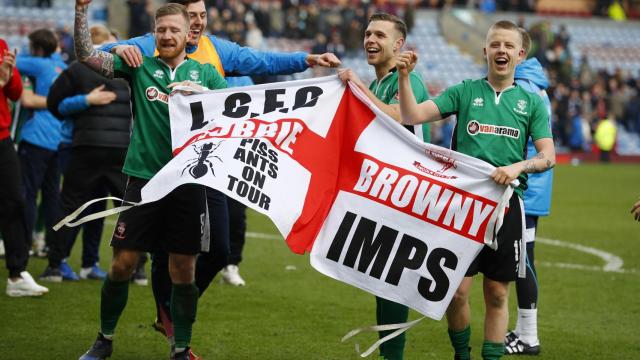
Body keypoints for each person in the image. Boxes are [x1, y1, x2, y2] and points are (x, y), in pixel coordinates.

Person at [100, 0, 341, 347]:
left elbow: (263, 62)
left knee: (217, 250)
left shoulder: (217, 52)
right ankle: (166, 319)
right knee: (154, 257)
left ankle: (172, 313)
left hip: (203, 168)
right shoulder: (148, 46)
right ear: (171, 22)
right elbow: (100, 55)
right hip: (150, 171)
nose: (198, 21)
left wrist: (306, 60)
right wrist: (115, 45)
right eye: (191, 16)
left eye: (201, 16)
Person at [73, 1, 227, 359]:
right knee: (123, 264)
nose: (168, 35)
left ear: (189, 33)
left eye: (174, 29)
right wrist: (82, 12)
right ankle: (103, 340)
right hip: (142, 181)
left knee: (183, 270)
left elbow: (241, 115)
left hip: (188, 184)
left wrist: (207, 102)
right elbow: (85, 55)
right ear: (154, 35)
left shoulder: (208, 76)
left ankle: (180, 346)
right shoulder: (138, 66)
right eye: (162, 30)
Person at [396, 20, 556, 360]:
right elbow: (412, 114)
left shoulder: (531, 103)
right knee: (456, 293)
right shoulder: (465, 91)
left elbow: (548, 156)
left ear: (519, 54)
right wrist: (405, 77)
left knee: (497, 294)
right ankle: (462, 355)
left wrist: (519, 166)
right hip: (462, 208)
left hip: (507, 207)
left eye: (508, 46)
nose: (501, 51)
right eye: (495, 44)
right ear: (485, 51)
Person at [338, 12, 430, 360]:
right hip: (384, 193)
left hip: (407, 195)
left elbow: (400, 116)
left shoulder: (409, 81)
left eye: (380, 35)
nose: (371, 40)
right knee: (383, 281)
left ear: (399, 44)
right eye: (367, 34)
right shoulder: (377, 84)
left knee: (394, 282)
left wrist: (356, 88)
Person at [40, 24, 133, 282]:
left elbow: (52, 102)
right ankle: (137, 269)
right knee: (129, 208)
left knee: (70, 205)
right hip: (122, 149)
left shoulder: (78, 68)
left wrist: (76, 115)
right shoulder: (128, 69)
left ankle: (56, 264)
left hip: (85, 146)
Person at [503, 28, 554, 356]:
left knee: (522, 261)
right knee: (525, 257)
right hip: (534, 183)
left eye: (509, 45)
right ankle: (523, 330)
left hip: (524, 185)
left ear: (521, 53)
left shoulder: (521, 88)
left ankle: (530, 336)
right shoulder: (535, 83)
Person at [15, 29, 67, 275]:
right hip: (59, 139)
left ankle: (21, 247)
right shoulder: (62, 65)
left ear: (36, 48)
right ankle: (53, 254)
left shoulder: (38, 63)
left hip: (36, 138)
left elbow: (9, 59)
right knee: (52, 199)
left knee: (26, 195)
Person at [0, 38, 49, 297]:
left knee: (15, 202)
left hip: (2, 138)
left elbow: (16, 93)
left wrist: (8, 77)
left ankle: (17, 274)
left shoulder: (1, 46)